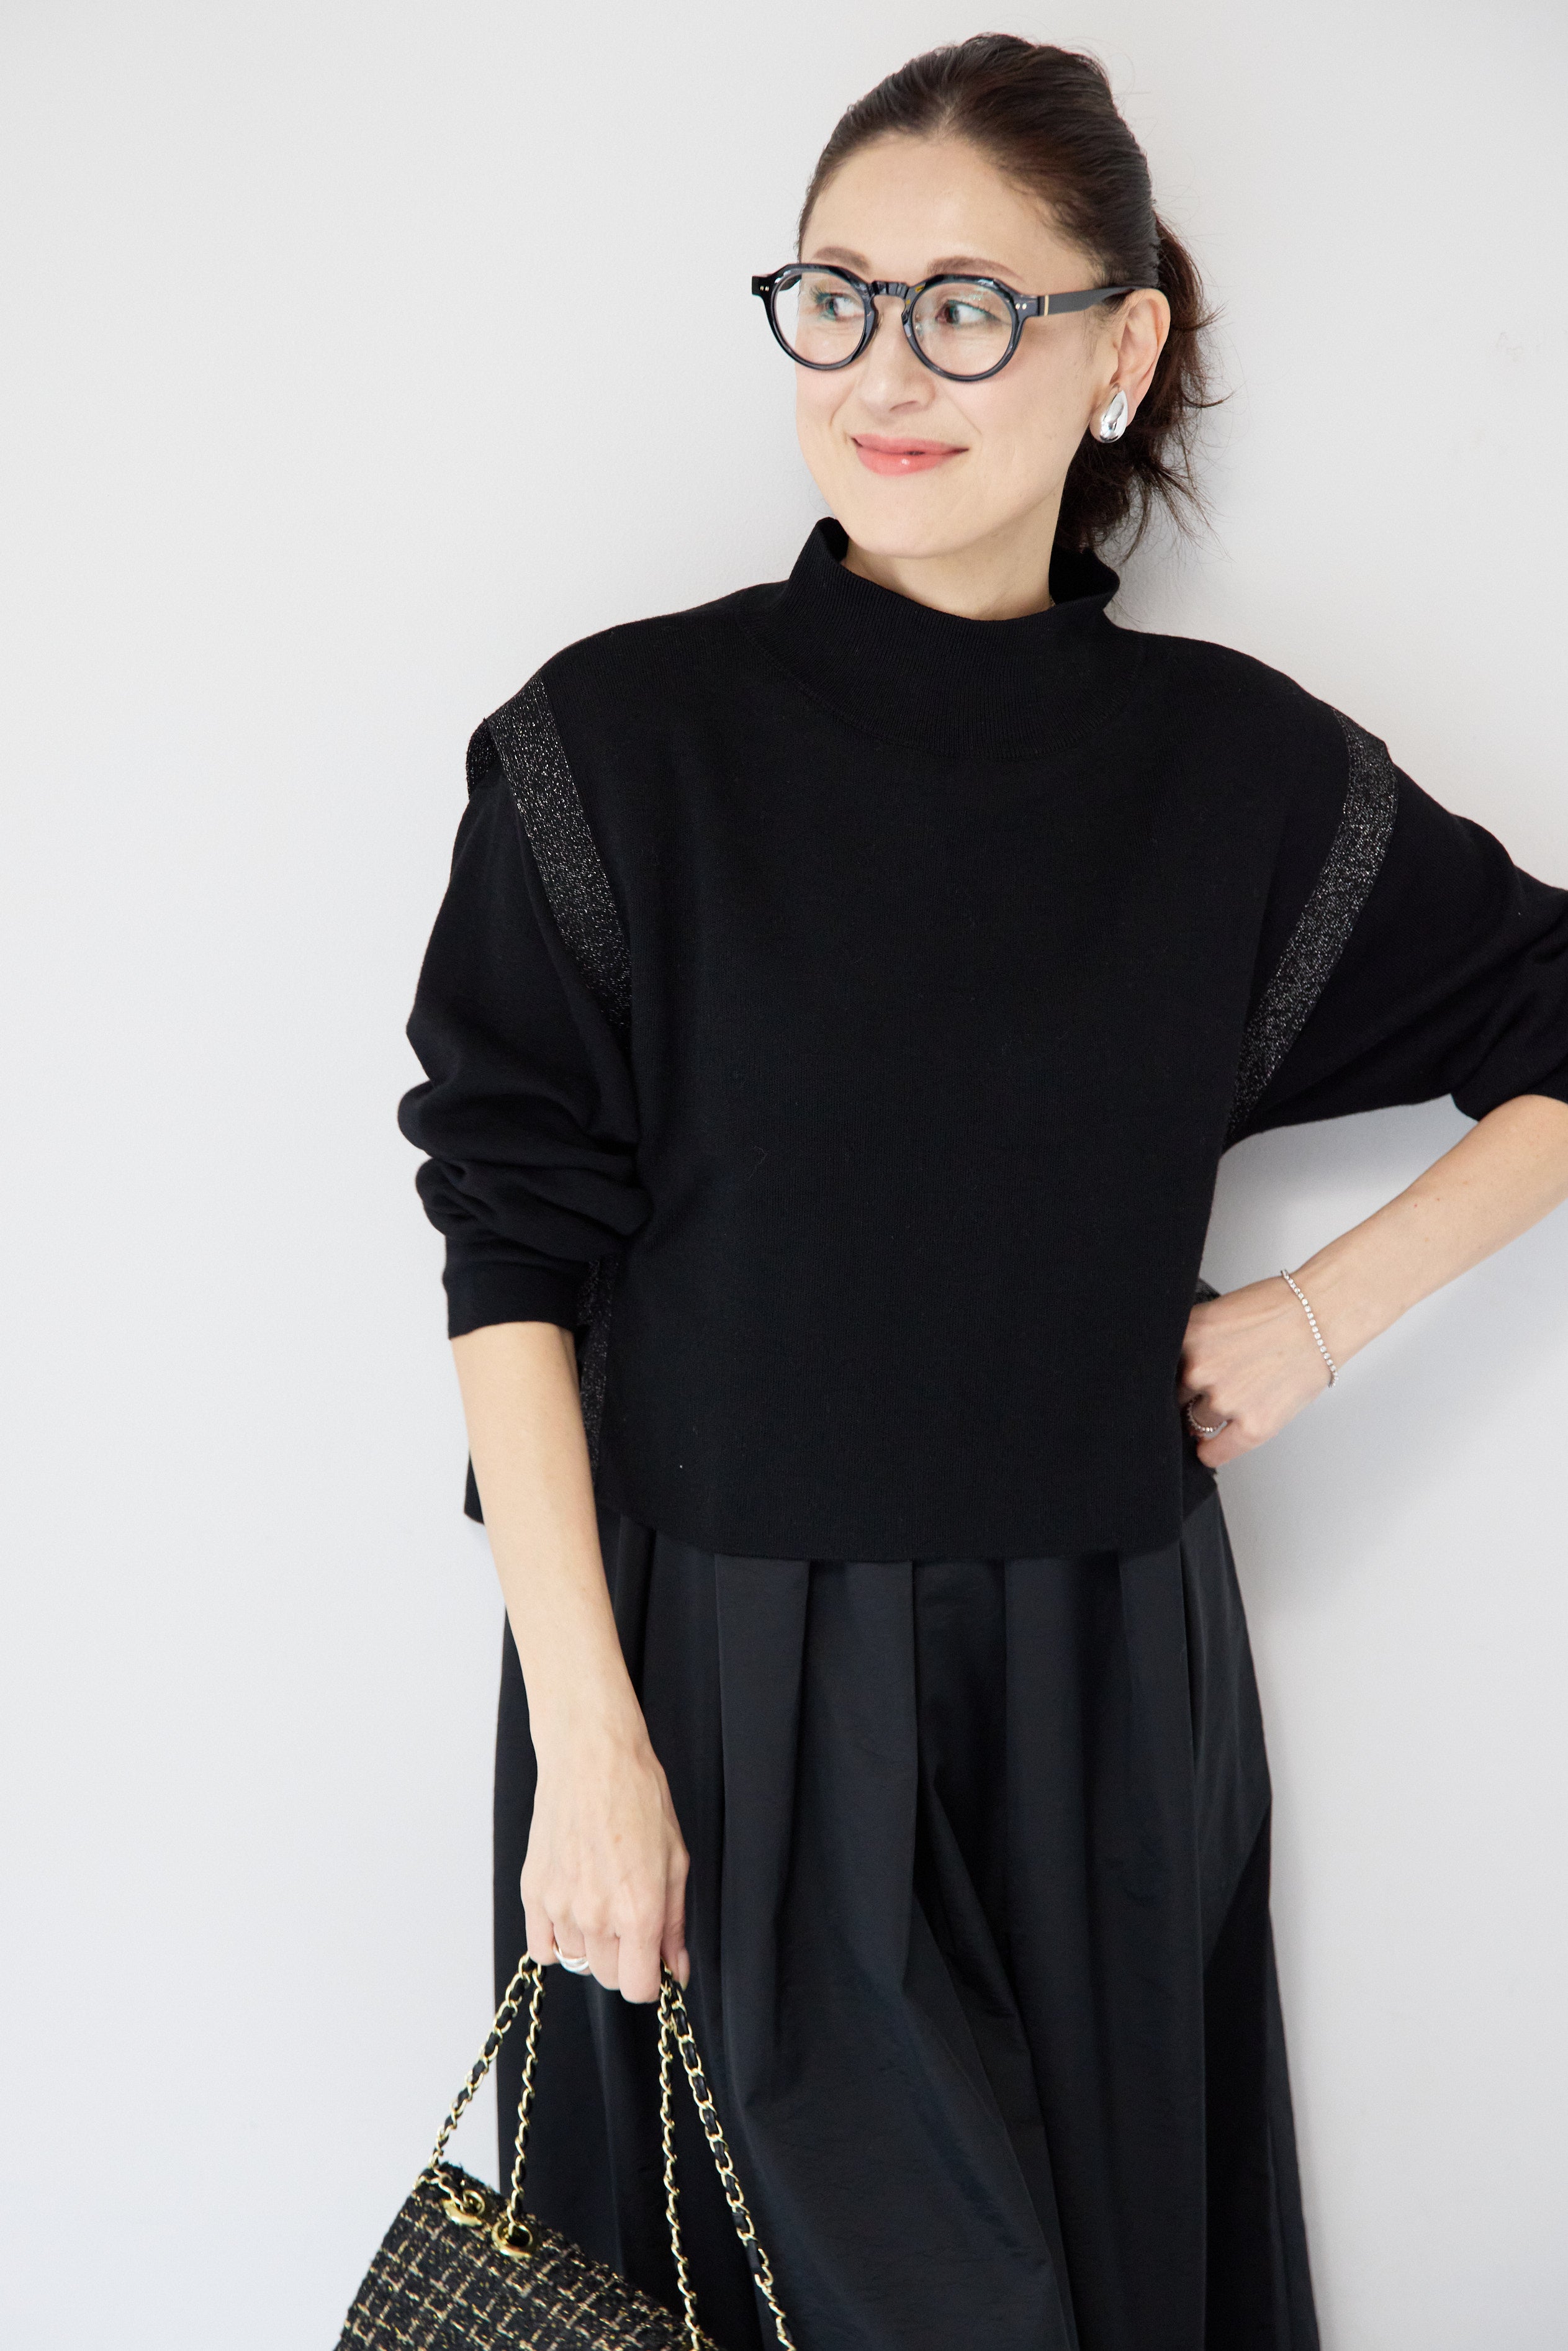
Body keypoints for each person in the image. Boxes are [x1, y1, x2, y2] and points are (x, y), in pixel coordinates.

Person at [397, 35, 1568, 2351]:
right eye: (835, 296)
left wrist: (1319, 1313)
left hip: (1100, 1698)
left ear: (1119, 349)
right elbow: (507, 1244)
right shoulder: (617, 746)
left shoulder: (1233, 776)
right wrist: (596, 1748)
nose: (882, 369)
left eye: (966, 308)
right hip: (711, 1688)